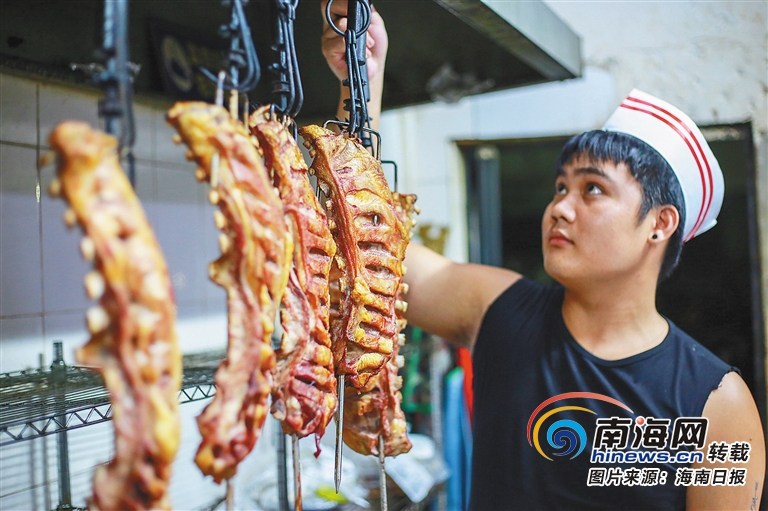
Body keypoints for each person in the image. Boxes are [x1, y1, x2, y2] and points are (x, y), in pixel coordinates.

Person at [320, 2, 765, 509]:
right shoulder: (498, 309)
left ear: (660, 224)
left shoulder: (715, 402)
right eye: (560, 188)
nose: (560, 208)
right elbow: (361, 251)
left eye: (592, 189)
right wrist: (362, 80)